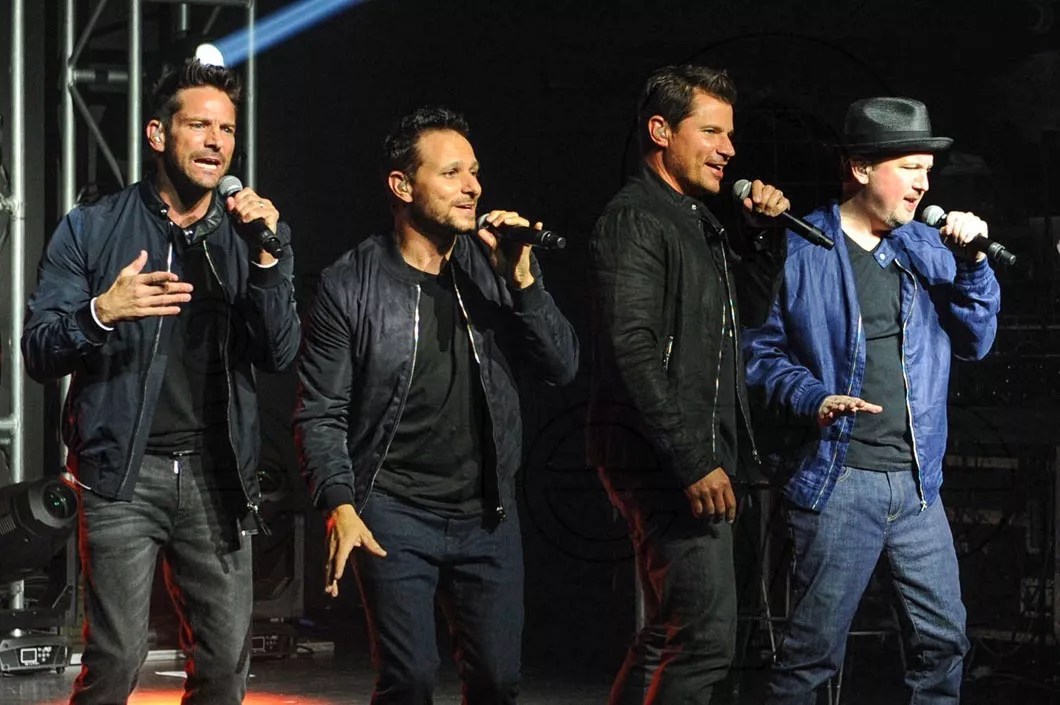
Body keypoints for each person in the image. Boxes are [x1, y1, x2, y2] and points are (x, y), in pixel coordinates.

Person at [21, 59, 300, 705]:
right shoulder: (92, 228)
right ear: (157, 134)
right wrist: (101, 312)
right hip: (123, 473)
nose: (215, 142)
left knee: (225, 668)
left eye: (226, 130)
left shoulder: (252, 234)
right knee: (115, 660)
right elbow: (39, 349)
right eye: (199, 125)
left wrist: (266, 260)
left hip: (217, 476)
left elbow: (280, 351)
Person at [294, 106, 578, 704]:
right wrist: (341, 504)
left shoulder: (495, 267)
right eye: (451, 173)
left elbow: (562, 367)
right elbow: (320, 410)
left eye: (474, 172)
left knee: (497, 681)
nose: (472, 187)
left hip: (487, 514)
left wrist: (524, 281)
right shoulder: (351, 283)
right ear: (403, 186)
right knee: (410, 680)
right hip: (394, 509)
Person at [742, 97, 1002, 704]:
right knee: (811, 657)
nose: (923, 184)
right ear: (859, 167)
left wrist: (973, 265)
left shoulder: (931, 249)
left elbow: (977, 341)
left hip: (918, 486)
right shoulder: (802, 248)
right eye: (909, 167)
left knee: (943, 645)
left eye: (927, 171)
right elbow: (759, 354)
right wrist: (812, 396)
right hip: (839, 481)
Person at [587, 64, 791, 704]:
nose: (729, 149)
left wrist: (761, 238)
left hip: (687, 454)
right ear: (660, 131)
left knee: (672, 634)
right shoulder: (636, 219)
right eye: (711, 132)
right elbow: (632, 349)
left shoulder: (695, 219)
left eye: (730, 134)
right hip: (665, 461)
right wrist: (692, 460)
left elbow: (746, 314)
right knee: (703, 641)